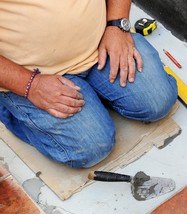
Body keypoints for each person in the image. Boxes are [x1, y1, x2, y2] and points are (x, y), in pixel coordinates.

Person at [0, 0, 178, 168]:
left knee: (157, 102)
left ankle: (97, 96)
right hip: (32, 74)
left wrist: (118, 25)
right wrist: (31, 85)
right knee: (91, 147)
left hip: (102, 41)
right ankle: (13, 111)